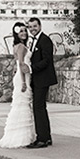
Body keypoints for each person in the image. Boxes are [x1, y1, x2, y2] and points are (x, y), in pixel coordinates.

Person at [0, 22, 36, 149]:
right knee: (22, 105)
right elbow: (21, 64)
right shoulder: (21, 46)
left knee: (21, 104)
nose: (24, 33)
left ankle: (20, 135)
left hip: (22, 76)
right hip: (23, 78)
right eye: (21, 31)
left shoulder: (17, 46)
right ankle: (21, 137)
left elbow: (18, 65)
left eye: (24, 31)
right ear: (16, 33)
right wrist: (23, 82)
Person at [26, 17, 58, 149]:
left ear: (40, 26)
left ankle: (42, 139)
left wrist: (31, 68)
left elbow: (46, 61)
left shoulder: (45, 40)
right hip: (38, 79)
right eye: (30, 27)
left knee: (38, 108)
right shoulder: (33, 41)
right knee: (41, 108)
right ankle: (47, 137)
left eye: (35, 26)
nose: (33, 29)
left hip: (43, 79)